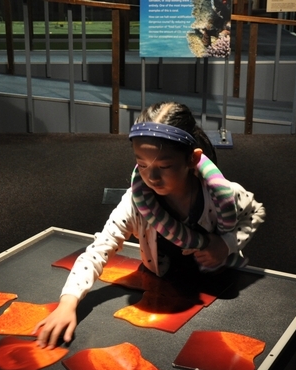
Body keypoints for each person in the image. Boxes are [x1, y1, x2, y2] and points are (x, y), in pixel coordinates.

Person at [34, 101, 265, 348]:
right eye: (142, 165)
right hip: (162, 290)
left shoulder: (221, 195)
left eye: (164, 166)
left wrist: (226, 244)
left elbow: (255, 212)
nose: (152, 177)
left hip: (219, 287)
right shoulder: (136, 203)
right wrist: (68, 303)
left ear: (192, 159)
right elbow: (99, 249)